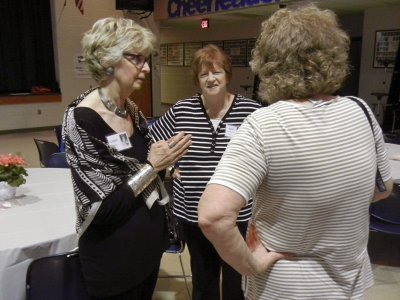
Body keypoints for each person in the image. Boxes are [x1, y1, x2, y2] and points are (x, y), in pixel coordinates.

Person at [198, 5, 393, 300]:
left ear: (267, 62)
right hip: (348, 281)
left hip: (284, 286)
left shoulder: (263, 124)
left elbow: (213, 216)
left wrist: (249, 265)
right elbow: (382, 189)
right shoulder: (361, 111)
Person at [62, 17, 191, 299]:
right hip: (113, 259)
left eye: (146, 59)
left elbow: (135, 166)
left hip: (146, 250)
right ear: (109, 58)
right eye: (137, 58)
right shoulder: (82, 119)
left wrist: (166, 167)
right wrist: (153, 166)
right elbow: (102, 207)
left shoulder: (129, 108)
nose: (146, 68)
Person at [150, 44, 261, 299]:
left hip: (238, 214)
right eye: (203, 74)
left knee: (237, 281)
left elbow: (267, 156)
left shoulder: (251, 112)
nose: (211, 79)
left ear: (227, 75)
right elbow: (152, 140)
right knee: (203, 279)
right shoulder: (182, 110)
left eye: (217, 72)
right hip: (193, 211)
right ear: (197, 80)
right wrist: (169, 166)